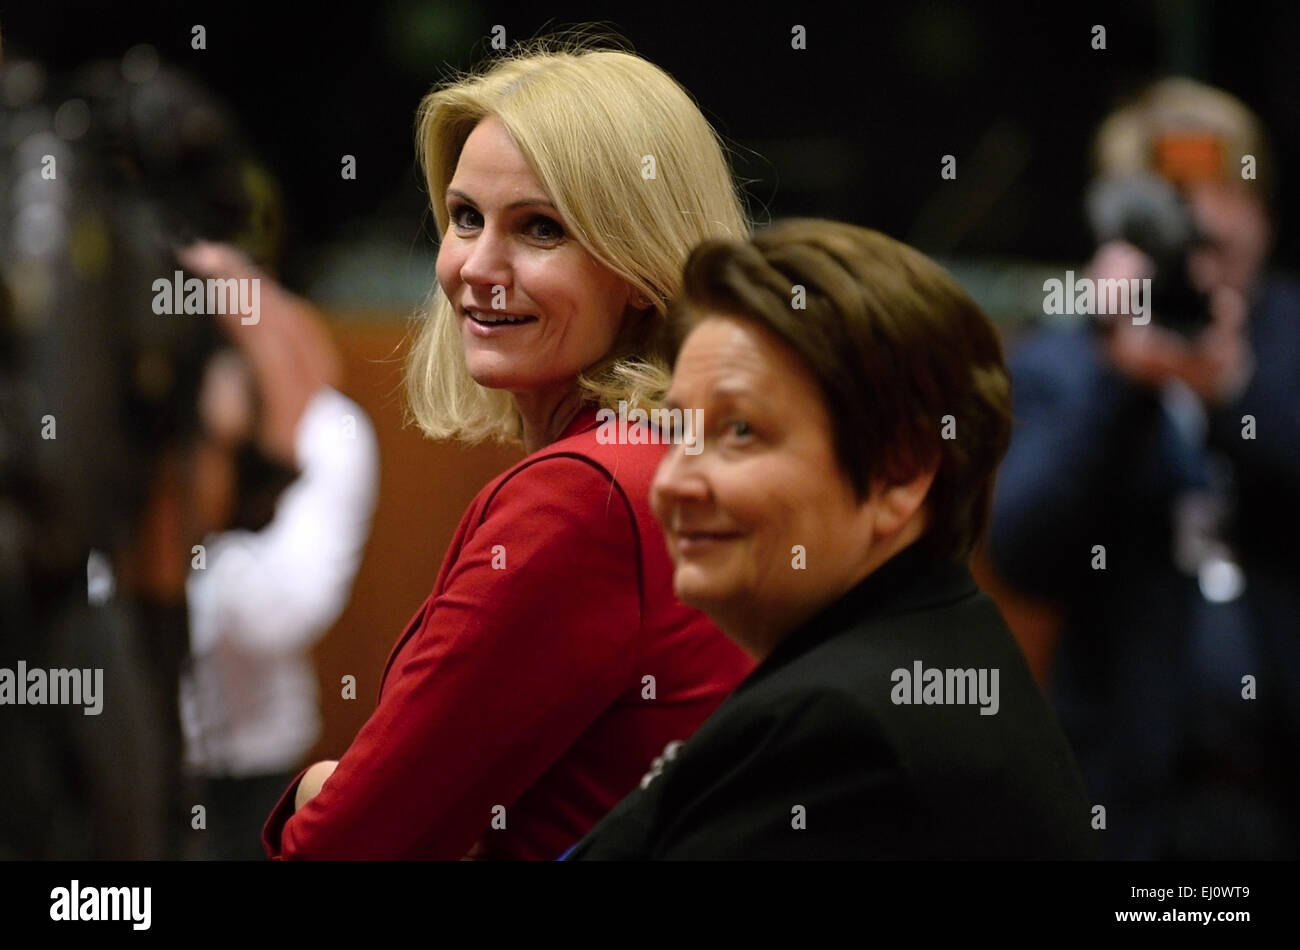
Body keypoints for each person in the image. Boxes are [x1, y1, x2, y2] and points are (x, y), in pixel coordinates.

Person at [262, 37, 755, 860]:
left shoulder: (585, 499)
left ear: (641, 263)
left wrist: (319, 785)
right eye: (464, 218)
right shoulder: (690, 456)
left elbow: (341, 845)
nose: (476, 268)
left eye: (540, 228)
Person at [565, 219, 1098, 859]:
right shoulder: (936, 657)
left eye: (740, 431)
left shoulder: (841, 734)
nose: (674, 481)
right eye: (678, 429)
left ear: (897, 473)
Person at [987, 78, 1300, 859]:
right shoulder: (1067, 363)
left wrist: (1232, 397)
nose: (1197, 218)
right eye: (1168, 195)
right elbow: (1022, 550)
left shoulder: (1295, 341)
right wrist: (1118, 374)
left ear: (1261, 209)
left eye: (1222, 188)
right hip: (1128, 798)